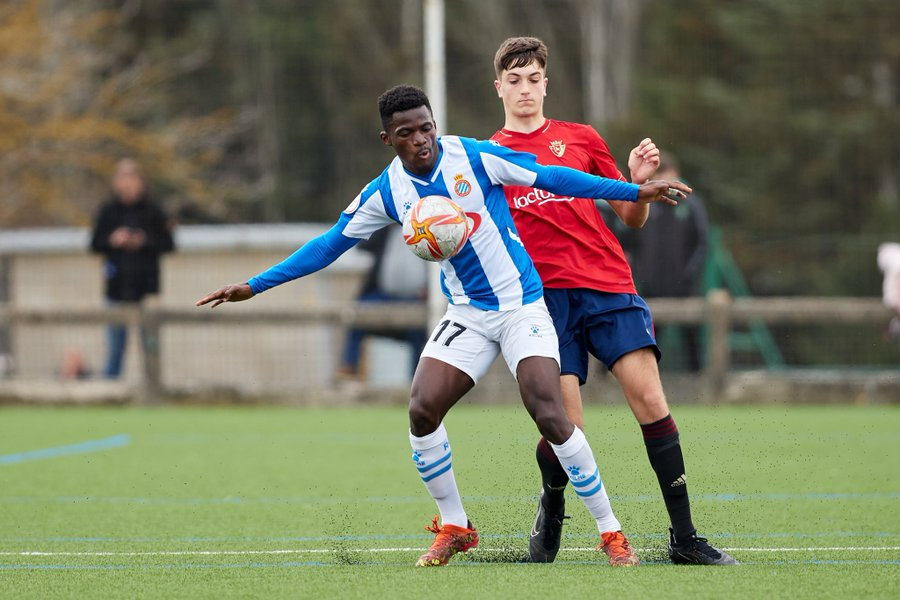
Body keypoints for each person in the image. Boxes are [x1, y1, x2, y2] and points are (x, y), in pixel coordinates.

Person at [196, 84, 689, 567]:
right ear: (388, 139)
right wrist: (255, 285)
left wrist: (631, 190)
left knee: (548, 409)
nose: (421, 139)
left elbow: (555, 179)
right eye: (407, 133)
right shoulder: (387, 190)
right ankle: (455, 526)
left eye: (427, 127)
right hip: (468, 315)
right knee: (421, 408)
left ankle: (611, 533)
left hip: (522, 305)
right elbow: (330, 244)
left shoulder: (474, 157)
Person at [490, 37, 737, 565]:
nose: (525, 89)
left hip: (608, 287)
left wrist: (636, 185)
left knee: (651, 403)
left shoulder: (581, 139)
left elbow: (630, 216)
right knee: (566, 427)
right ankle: (552, 504)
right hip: (543, 304)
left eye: (533, 78)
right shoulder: (489, 157)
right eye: (514, 80)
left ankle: (685, 538)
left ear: (546, 84)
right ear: (499, 88)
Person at [618, 152, 709, 372]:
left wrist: (689, 276)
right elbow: (628, 239)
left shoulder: (692, 205)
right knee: (648, 343)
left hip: (685, 290)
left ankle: (700, 388)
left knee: (692, 342)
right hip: (651, 290)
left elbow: (702, 243)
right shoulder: (648, 205)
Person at [90, 158, 175, 378]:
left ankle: (153, 391)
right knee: (115, 348)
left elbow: (168, 244)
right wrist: (113, 240)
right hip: (116, 289)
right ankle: (110, 391)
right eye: (122, 178)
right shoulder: (108, 211)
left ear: (140, 181)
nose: (127, 184)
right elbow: (94, 244)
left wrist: (143, 241)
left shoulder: (154, 210)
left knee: (150, 347)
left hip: (147, 288)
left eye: (131, 178)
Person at [337, 223, 428, 387]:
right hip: (382, 295)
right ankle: (349, 370)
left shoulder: (428, 231)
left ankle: (416, 382)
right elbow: (360, 245)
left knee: (420, 328)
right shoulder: (385, 229)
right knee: (357, 312)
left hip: (416, 299)